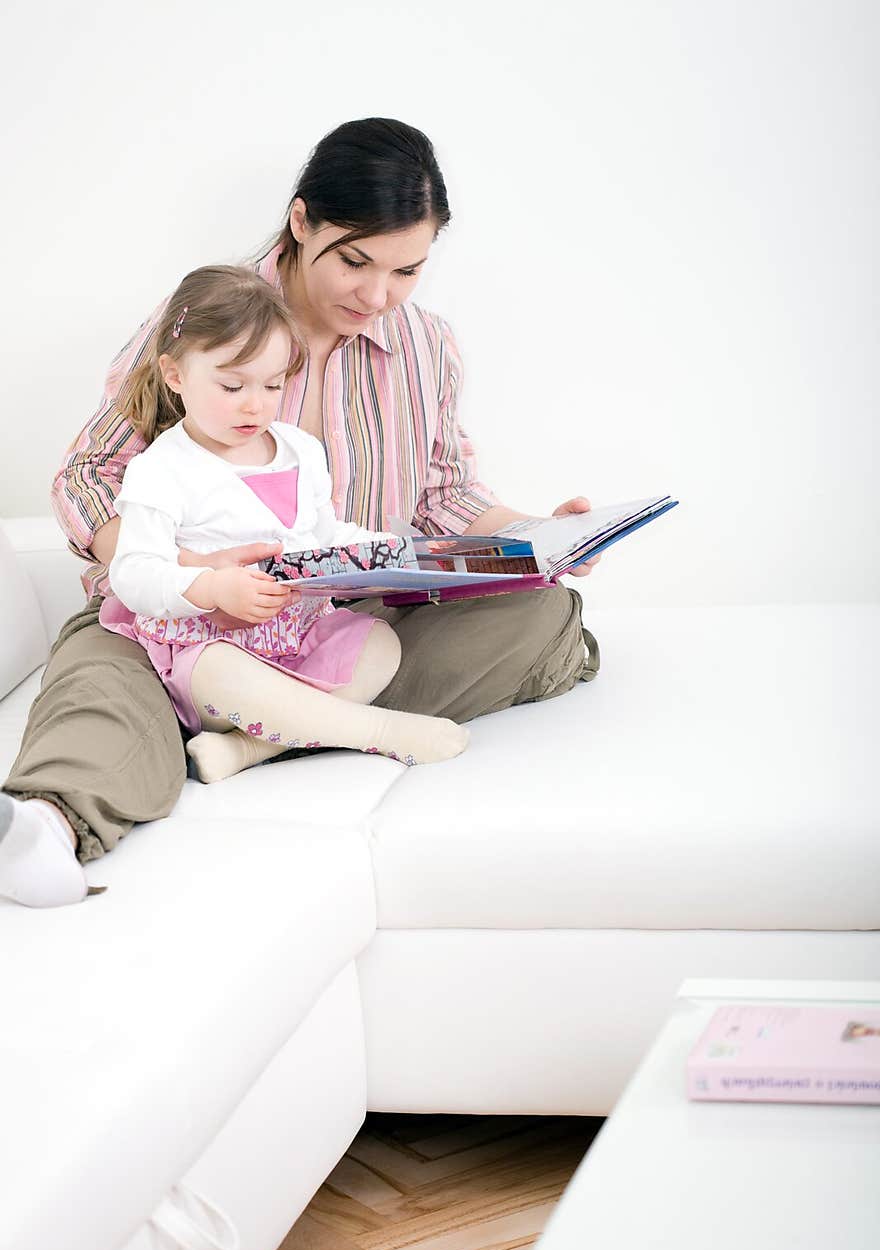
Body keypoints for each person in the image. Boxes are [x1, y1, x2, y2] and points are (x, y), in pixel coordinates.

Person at [0, 116, 600, 909]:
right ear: (300, 222)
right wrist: (186, 574)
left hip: (332, 623)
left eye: (407, 271)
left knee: (546, 614)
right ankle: (44, 824)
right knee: (104, 683)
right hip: (174, 621)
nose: (377, 295)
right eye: (355, 261)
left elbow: (444, 494)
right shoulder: (210, 317)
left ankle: (254, 735)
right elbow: (87, 476)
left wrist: (537, 535)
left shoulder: (427, 347)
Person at [102, 263, 469, 788]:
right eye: (232, 385)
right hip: (210, 648)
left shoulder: (299, 449)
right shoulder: (160, 470)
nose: (255, 404)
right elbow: (134, 573)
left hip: (297, 632)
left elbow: (324, 537)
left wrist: (393, 552)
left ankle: (250, 749)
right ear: (176, 375)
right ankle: (378, 730)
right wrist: (211, 587)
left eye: (273, 384)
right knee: (222, 673)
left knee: (380, 644)